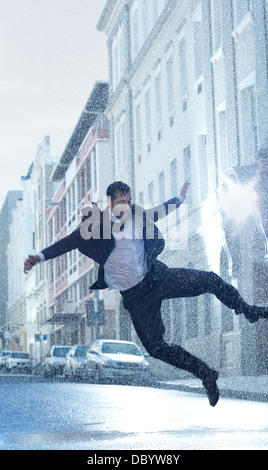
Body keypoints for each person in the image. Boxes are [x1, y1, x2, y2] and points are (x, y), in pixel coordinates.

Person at [24, 181, 268, 406]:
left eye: (128, 201)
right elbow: (68, 241)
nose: (126, 206)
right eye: (121, 202)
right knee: (156, 348)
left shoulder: (137, 216)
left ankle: (249, 311)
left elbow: (159, 211)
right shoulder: (95, 227)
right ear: (110, 202)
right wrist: (39, 257)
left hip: (157, 279)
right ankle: (206, 374)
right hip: (136, 299)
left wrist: (179, 199)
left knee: (212, 280)